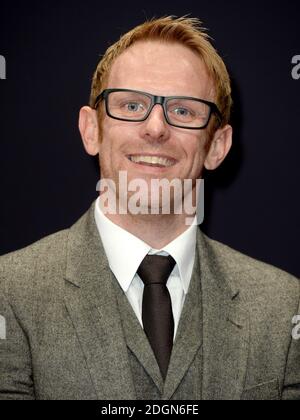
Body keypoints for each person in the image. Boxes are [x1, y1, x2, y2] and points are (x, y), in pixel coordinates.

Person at [0, 16, 299, 401]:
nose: (156, 128)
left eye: (184, 111)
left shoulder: (284, 308)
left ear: (217, 146)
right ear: (91, 130)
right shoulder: (8, 292)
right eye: (131, 104)